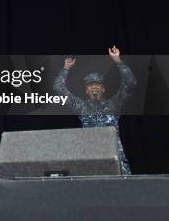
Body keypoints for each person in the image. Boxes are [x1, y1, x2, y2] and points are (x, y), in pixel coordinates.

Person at [53, 46, 136, 174]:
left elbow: (130, 83)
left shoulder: (114, 104)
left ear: (103, 89)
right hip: (92, 159)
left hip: (115, 158)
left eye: (97, 84)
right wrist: (66, 68)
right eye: (90, 86)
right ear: (86, 91)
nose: (94, 87)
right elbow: (58, 88)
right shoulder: (81, 107)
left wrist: (118, 60)